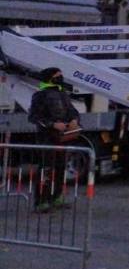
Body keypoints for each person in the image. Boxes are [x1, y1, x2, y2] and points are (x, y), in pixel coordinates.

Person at [27, 67, 80, 212]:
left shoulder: (62, 93)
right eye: (58, 75)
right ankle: (41, 201)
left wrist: (74, 120)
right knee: (46, 169)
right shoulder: (40, 95)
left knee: (60, 168)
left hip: (62, 138)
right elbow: (34, 117)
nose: (61, 77)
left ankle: (57, 198)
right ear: (50, 77)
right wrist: (53, 124)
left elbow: (72, 111)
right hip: (47, 139)